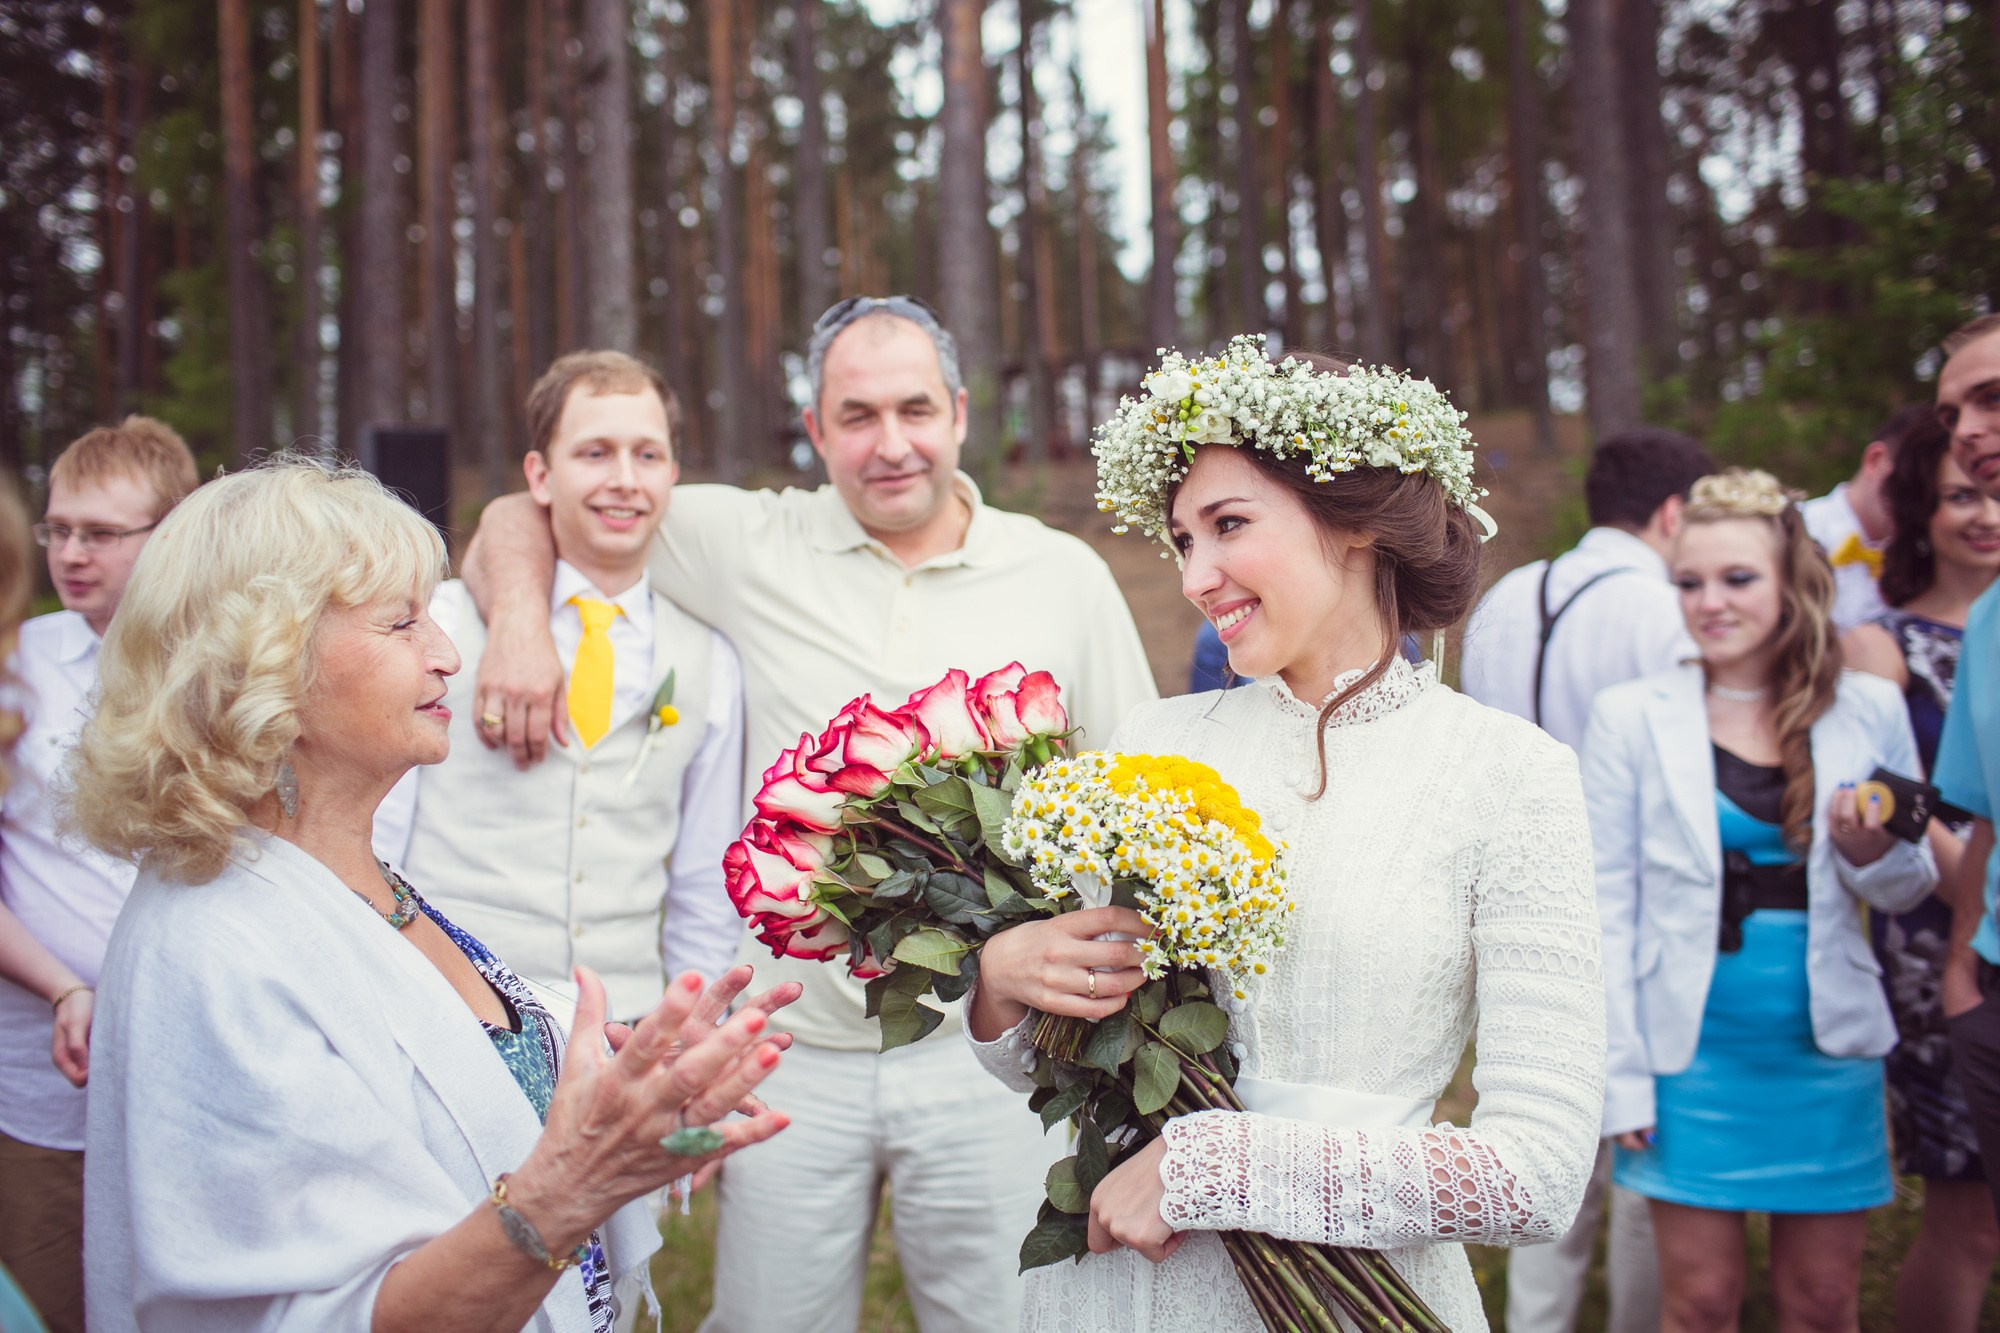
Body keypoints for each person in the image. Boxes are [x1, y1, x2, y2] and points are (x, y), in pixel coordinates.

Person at [461, 295, 1159, 1333]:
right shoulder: (745, 538)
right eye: (857, 415)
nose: (890, 445)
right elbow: (532, 507)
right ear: (815, 431)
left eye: (914, 410)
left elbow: (1137, 804)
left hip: (992, 1056)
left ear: (960, 414)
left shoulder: (1063, 576)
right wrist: (518, 622)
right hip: (793, 1053)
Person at [69, 456, 797, 1332]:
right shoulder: (210, 952)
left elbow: (443, 1061)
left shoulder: (337, 870)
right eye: (403, 622)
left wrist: (601, 1064)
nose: (447, 652)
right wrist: (574, 1182)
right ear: (267, 662)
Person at [967, 344, 1606, 1331]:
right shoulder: (1155, 741)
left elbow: (1535, 1174)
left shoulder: (1506, 777)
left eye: (1227, 526)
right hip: (1113, 1295)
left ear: (1354, 520)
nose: (1194, 576)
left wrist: (1208, 1163)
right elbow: (1055, 1062)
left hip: (1358, 1302)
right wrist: (1002, 986)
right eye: (1182, 539)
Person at [1586, 468, 1935, 1331]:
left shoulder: (1867, 707)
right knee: (1700, 1304)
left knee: (1821, 1304)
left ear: (1792, 583)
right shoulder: (1629, 716)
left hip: (1823, 1050)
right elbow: (1605, 908)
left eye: (1737, 578)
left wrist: (1870, 849)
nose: (1709, 602)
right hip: (1688, 1054)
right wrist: (1621, 1080)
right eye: (1689, 581)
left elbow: (1910, 882)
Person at [374, 351, 745, 1022]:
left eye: (648, 456)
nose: (625, 480)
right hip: (450, 1013)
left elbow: (703, 882)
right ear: (540, 476)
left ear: (674, 473)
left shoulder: (712, 659)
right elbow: (375, 830)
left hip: (621, 1032)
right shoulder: (444, 623)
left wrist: (693, 1027)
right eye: (595, 453)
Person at [1463, 429, 1711, 1330]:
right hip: (1635, 914)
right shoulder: (1668, 611)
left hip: (1512, 911)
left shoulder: (1506, 598)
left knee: (1538, 1137)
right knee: (1643, 1167)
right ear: (1676, 511)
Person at [0, 417, 197, 1333]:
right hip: (43, 1090)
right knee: (53, 1302)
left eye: (102, 533)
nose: (71, 554)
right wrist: (63, 982)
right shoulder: (19, 666)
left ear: (174, 529)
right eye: (57, 530)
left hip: (190, 1079)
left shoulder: (219, 673)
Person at [1840, 410, 2000, 1329]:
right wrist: (1973, 903)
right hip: (1946, 941)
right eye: (1956, 497)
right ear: (1915, 510)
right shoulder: (1878, 642)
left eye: (1991, 492)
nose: (1982, 514)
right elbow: (1886, 793)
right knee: (1972, 1221)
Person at [1931, 313, 2000, 1232]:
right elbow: (1983, 818)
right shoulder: (1986, 620)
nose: (1968, 431)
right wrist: (1960, 970)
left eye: (1989, 399)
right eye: (1952, 414)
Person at [1802, 405, 1935, 630]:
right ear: (1875, 460)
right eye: (1914, 484)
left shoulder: (1933, 560)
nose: (1921, 503)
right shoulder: (1793, 530)